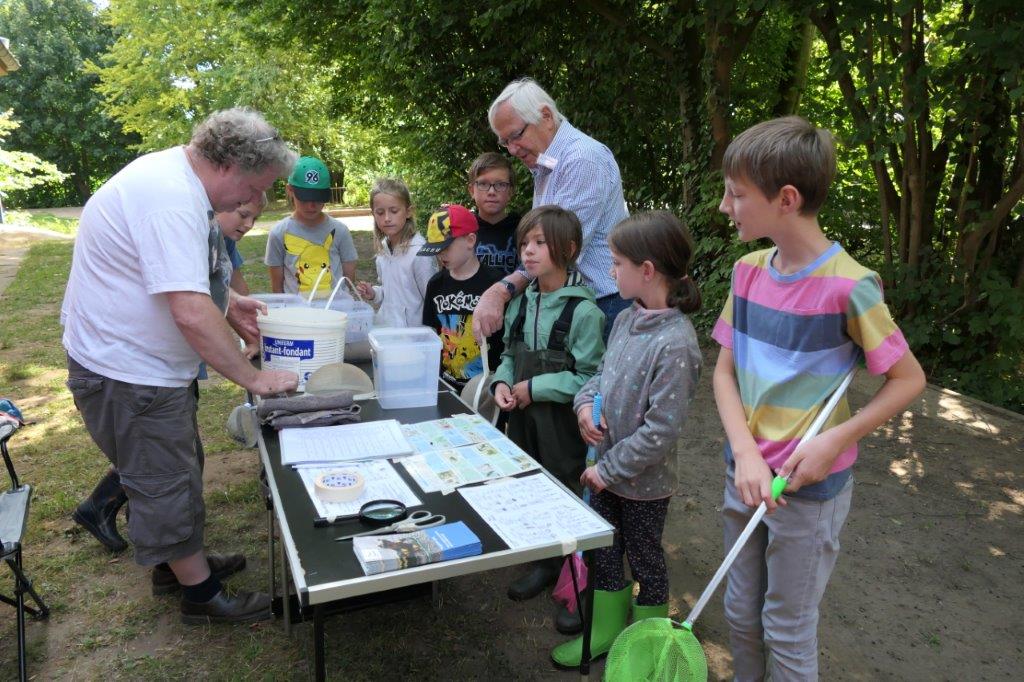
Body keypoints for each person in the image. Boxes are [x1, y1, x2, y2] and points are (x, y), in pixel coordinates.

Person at [62, 108, 300, 625]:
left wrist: (230, 304)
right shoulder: (171, 200)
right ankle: (202, 597)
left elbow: (186, 286)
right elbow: (188, 309)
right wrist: (255, 378)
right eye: (256, 188)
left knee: (179, 464)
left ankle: (178, 566)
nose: (255, 201)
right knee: (162, 479)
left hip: (142, 369)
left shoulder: (176, 180)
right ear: (231, 165)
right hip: (127, 372)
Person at [712, 116, 926, 680]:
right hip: (746, 474)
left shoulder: (852, 286)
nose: (724, 207)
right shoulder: (746, 272)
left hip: (808, 492)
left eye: (736, 194)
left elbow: (908, 379)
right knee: (739, 611)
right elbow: (724, 372)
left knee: (787, 625)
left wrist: (836, 439)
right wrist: (746, 453)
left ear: (786, 198)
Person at [72, 194, 268, 556]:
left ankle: (175, 559)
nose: (248, 224)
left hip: (172, 367)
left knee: (180, 455)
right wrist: (250, 376)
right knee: (160, 463)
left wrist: (240, 316)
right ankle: (185, 574)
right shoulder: (185, 225)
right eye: (242, 214)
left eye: (254, 218)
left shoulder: (217, 238)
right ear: (217, 205)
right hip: (144, 368)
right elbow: (191, 306)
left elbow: (222, 289)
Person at [549, 211, 703, 665]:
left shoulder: (676, 344)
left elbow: (660, 433)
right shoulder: (625, 319)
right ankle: (607, 629)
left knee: (646, 562)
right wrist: (582, 407)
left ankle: (647, 647)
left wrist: (606, 469)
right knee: (606, 552)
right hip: (605, 473)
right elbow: (599, 376)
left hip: (641, 486)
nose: (611, 271)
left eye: (617, 263)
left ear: (647, 270)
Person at [490, 205, 605, 601]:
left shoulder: (584, 312)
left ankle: (577, 576)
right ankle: (544, 562)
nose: (529, 252)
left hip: (563, 426)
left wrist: (535, 388)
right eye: (524, 243)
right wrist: (501, 383)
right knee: (530, 483)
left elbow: (590, 379)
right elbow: (507, 355)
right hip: (522, 421)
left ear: (568, 248)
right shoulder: (521, 302)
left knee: (566, 487)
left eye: (540, 243)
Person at [473, 78, 629, 343]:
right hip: (576, 301)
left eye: (516, 135)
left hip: (604, 304)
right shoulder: (546, 163)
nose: (511, 149)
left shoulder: (582, 160)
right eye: (504, 142)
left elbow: (555, 250)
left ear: (546, 116)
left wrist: (502, 291)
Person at [418, 204, 504, 392]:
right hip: (446, 386)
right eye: (436, 249)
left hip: (485, 390)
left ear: (470, 240)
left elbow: (507, 341)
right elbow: (431, 333)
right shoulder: (435, 284)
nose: (440, 254)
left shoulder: (496, 285)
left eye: (445, 247)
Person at [265, 155, 358, 296]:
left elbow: (348, 278)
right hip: (298, 313)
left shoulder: (340, 231)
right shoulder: (279, 233)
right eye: (305, 198)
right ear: (290, 190)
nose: (311, 205)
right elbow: (277, 287)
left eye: (318, 199)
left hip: (334, 310)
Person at [356, 178, 437, 326]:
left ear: (408, 212)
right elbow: (389, 292)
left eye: (394, 211)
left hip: (414, 338)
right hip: (387, 333)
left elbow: (432, 299)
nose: (387, 218)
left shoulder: (420, 252)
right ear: (373, 214)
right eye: (380, 213)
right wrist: (374, 293)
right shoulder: (383, 251)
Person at [466, 152, 521, 276]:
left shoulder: (524, 230)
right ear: (471, 191)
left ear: (511, 191)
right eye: (483, 184)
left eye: (500, 184)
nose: (491, 192)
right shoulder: (463, 232)